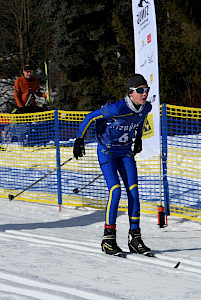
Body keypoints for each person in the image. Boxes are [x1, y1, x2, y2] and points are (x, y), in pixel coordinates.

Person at [73, 73, 153, 257]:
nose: (144, 94)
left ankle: (135, 238)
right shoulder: (117, 109)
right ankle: (108, 239)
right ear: (131, 92)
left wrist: (138, 138)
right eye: (140, 91)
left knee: (133, 191)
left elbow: (140, 121)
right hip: (107, 150)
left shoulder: (145, 107)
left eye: (146, 90)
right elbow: (91, 116)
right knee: (115, 190)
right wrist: (79, 139)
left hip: (124, 152)